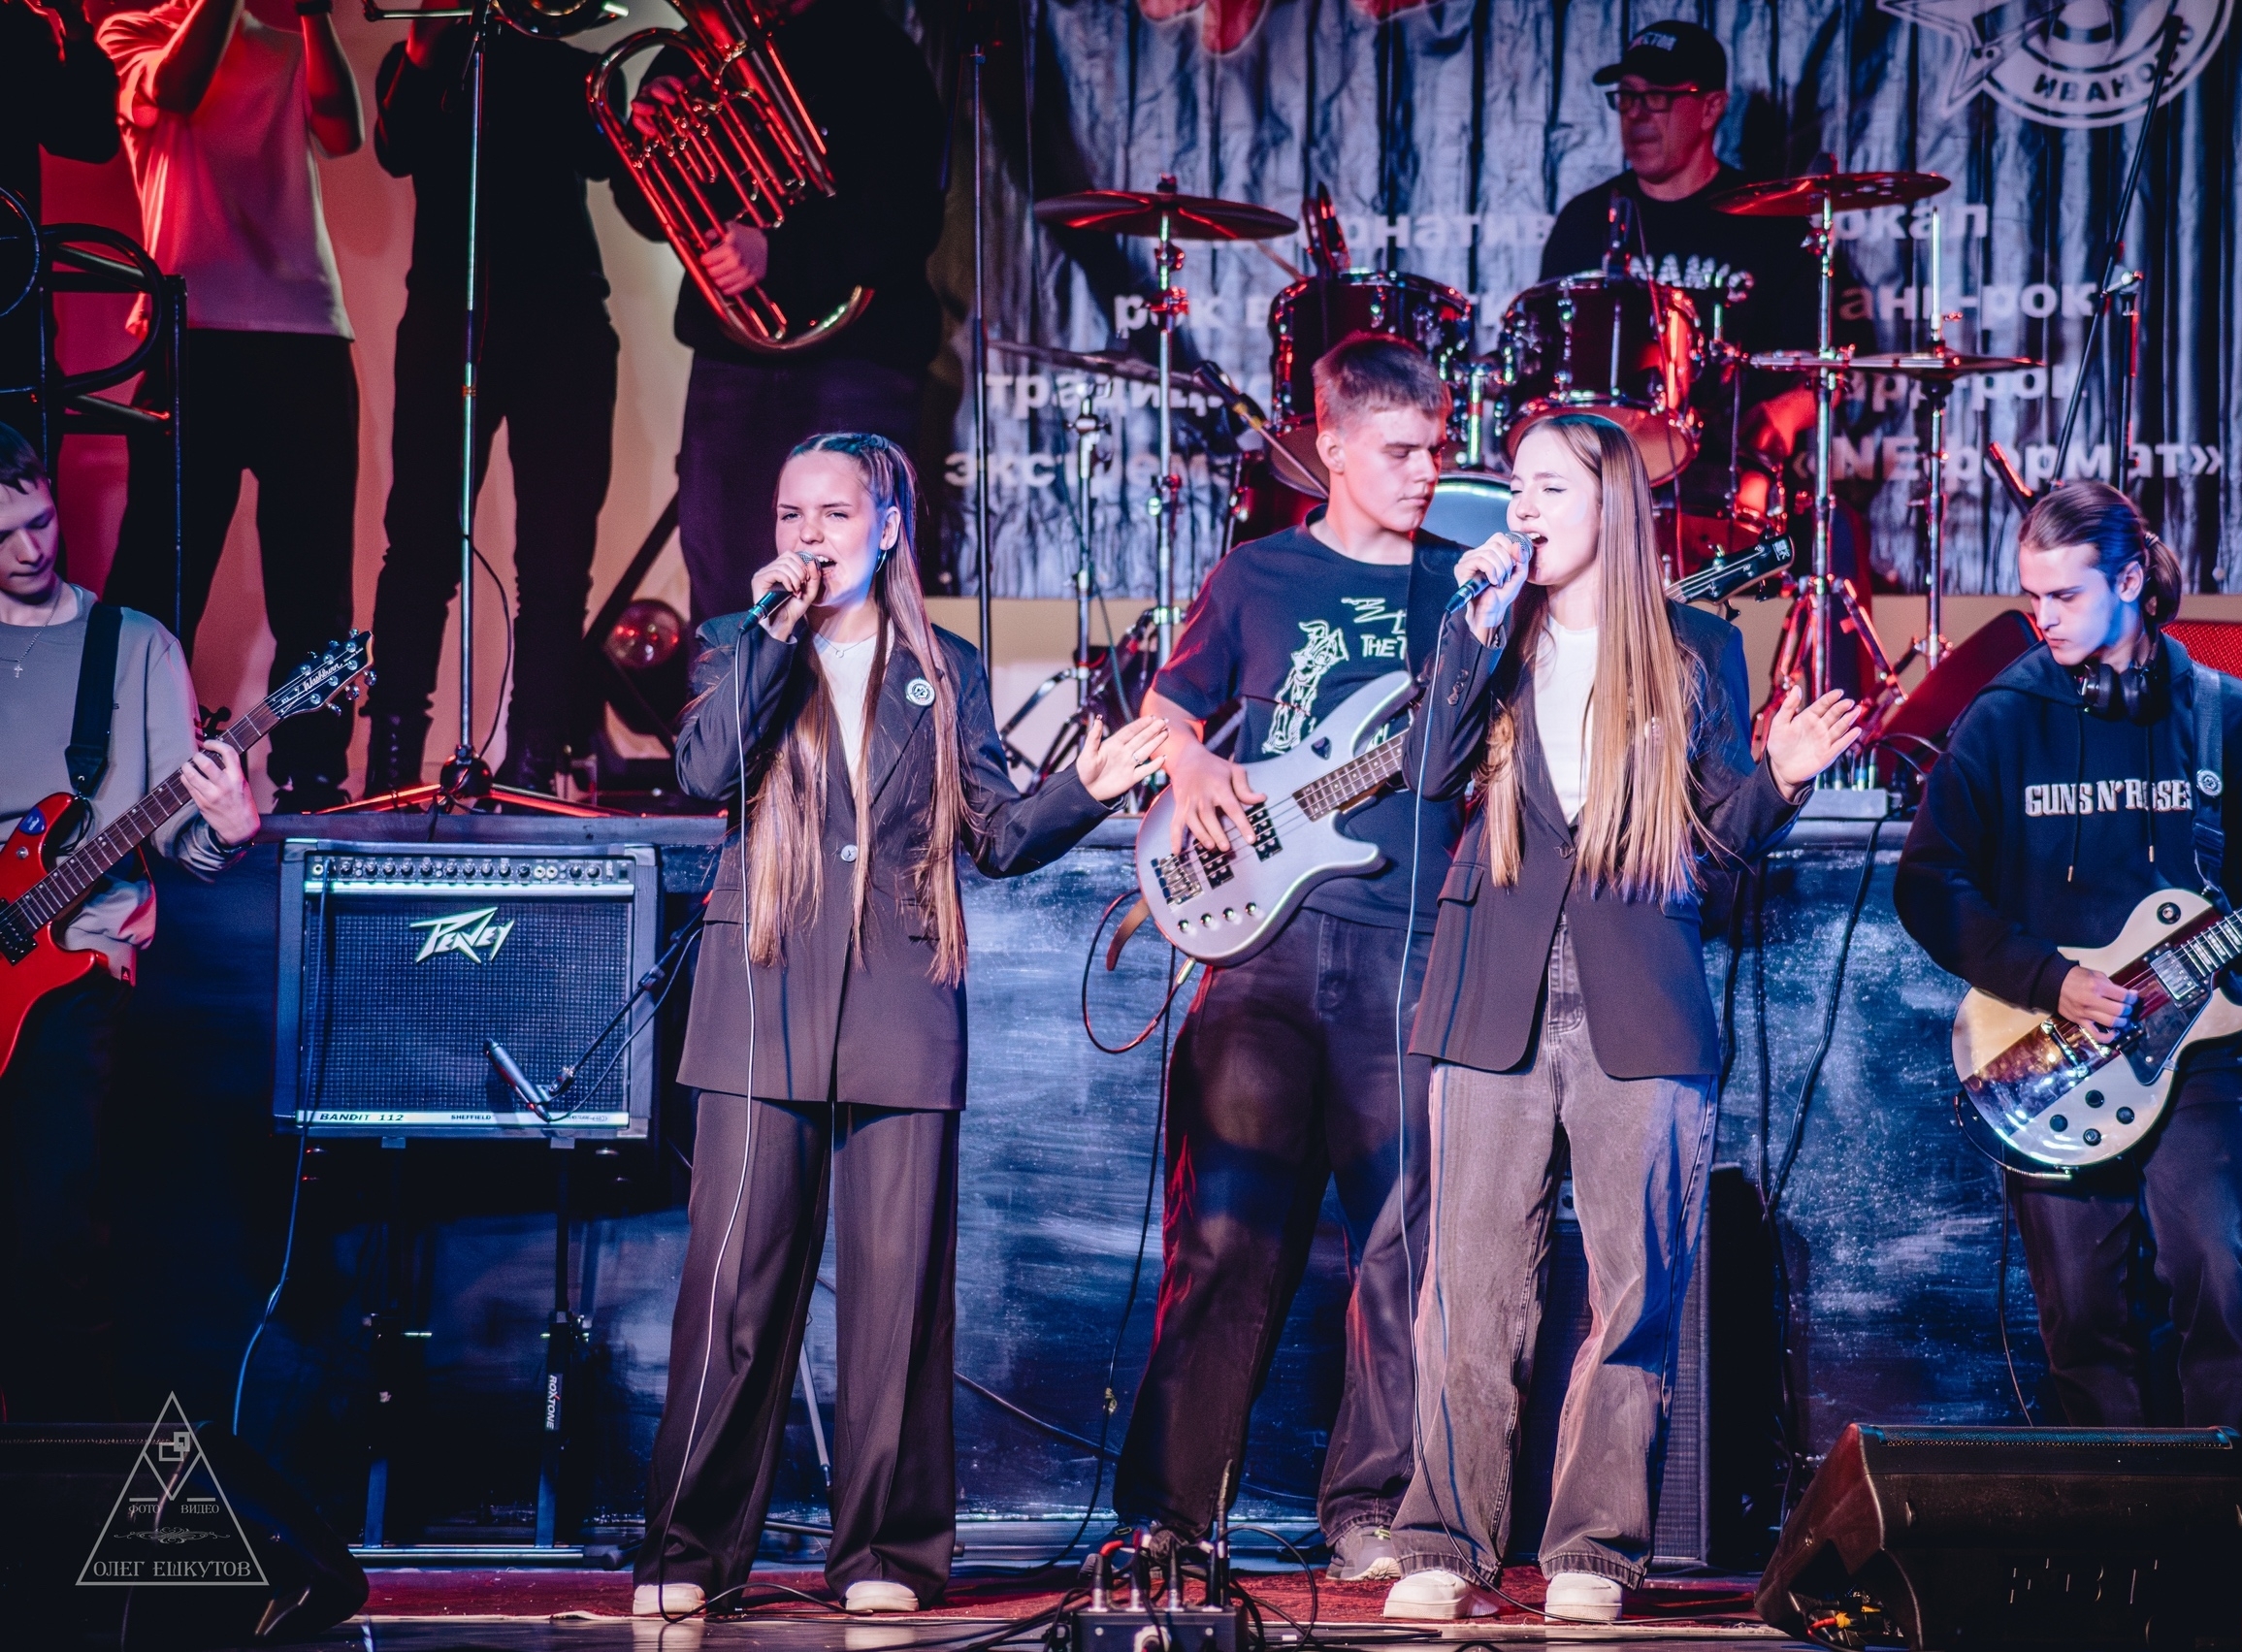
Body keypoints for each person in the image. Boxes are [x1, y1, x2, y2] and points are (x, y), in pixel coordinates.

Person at [632, 433, 1166, 1619]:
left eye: (834, 512)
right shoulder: (736, 644)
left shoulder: (942, 664)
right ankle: (688, 1549)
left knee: (897, 1299)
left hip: (901, 996)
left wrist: (1086, 787)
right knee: (733, 1292)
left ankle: (887, 1552)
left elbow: (996, 835)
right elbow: (704, 772)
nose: (807, 533)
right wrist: (774, 633)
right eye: (790, 513)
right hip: (762, 992)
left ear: (886, 527)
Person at [1381, 413, 1860, 1623]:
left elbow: (1714, 841)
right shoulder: (1487, 631)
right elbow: (1428, 774)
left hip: (1639, 995)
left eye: (1548, 487)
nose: (1521, 509)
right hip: (1491, 988)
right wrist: (1471, 627)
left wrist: (1780, 779)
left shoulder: (1697, 645)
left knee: (1633, 1289)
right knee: (1468, 1287)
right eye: (1517, 488)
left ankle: (1592, 1548)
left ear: (1610, 506)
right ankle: (1442, 1538)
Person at [1892, 481, 2242, 1434]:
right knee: (2081, 1320)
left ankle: (2222, 1508)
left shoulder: (2221, 713)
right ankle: (2118, 1517)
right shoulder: (2004, 716)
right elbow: (1927, 882)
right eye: (2032, 595)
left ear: (2132, 580)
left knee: (2221, 1286)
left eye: (2064, 595)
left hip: (2200, 1054)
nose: (2042, 617)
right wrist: (2052, 979)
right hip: (2050, 1047)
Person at [1111, 333, 1463, 1583]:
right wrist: (1193, 759)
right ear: (1333, 446)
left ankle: (1370, 1509)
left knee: (1403, 1247)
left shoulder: (1463, 589)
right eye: (1401, 450)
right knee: (1223, 1236)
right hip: (1258, 946)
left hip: (1408, 946)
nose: (1427, 471)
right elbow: (1165, 712)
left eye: (1437, 448)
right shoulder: (1257, 573)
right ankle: (1170, 1513)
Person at [0, 422, 259, 1421]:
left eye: (40, 519)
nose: (33, 546)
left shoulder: (135, 645)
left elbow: (184, 844)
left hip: (74, 978)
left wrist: (229, 829)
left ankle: (60, 1472)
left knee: (52, 1232)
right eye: (5, 535)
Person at [96, 0, 364, 810]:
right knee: (159, 580)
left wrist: (316, 17)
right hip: (193, 334)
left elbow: (344, 133)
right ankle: (119, 772)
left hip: (306, 334)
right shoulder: (134, 34)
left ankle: (313, 774)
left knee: (315, 590)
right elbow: (179, 90)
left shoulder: (288, 46)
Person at [360, 1, 621, 795]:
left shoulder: (578, 67)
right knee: (419, 547)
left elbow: (604, 159)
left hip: (564, 323)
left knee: (556, 561)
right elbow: (395, 149)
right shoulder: (423, 58)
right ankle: (392, 766)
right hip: (449, 320)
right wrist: (424, 49)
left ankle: (534, 766)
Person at [619, 0, 946, 630]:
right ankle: (737, 703)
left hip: (857, 358)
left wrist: (778, 253)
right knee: (726, 590)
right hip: (734, 354)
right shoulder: (692, 53)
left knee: (851, 600)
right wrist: (648, 141)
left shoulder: (878, 52)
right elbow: (647, 209)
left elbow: (908, 222)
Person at [1537, 20, 1815, 525]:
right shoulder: (1585, 222)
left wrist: (1783, 417)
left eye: (1657, 97)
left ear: (1711, 107)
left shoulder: (1771, 224)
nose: (1636, 115)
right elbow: (1547, 363)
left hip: (1729, 483)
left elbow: (1824, 368)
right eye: (1627, 97)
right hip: (1602, 484)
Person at [1, 0, 120, 441]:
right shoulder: (16, 25)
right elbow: (88, 135)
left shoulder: (16, 26)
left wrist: (73, 25)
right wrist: (74, 24)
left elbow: (88, 135)